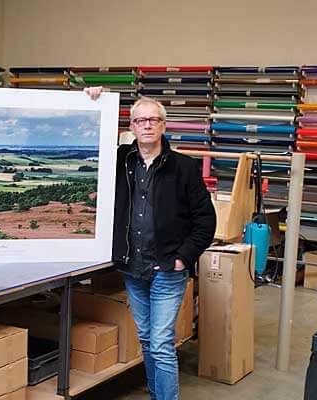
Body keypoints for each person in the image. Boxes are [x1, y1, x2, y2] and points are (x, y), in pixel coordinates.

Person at [86, 87, 216, 400]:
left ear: (163, 126)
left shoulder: (183, 167)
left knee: (160, 343)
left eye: (153, 120)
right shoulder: (120, 161)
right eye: (140, 120)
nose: (147, 125)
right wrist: (92, 102)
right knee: (146, 339)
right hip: (133, 268)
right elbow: (92, 144)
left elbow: (205, 220)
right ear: (130, 127)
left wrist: (183, 257)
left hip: (167, 269)